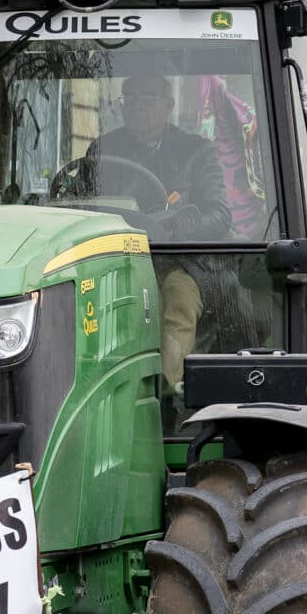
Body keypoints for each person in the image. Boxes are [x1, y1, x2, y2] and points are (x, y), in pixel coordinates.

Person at [83, 74, 230, 396]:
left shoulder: (196, 151)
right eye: (130, 100)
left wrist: (171, 229)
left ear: (169, 105)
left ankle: (164, 395)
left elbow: (220, 214)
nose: (137, 107)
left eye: (147, 99)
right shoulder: (103, 149)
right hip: (110, 259)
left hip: (175, 261)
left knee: (178, 298)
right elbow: (81, 203)